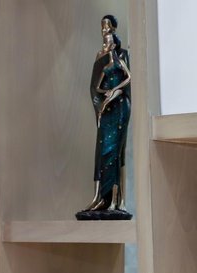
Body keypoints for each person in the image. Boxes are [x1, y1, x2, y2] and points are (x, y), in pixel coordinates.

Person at [77, 15, 132, 220]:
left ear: (114, 30)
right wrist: (102, 99)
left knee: (116, 151)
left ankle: (117, 200)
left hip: (119, 107)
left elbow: (128, 80)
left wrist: (115, 92)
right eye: (102, 27)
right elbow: (96, 85)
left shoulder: (121, 55)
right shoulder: (100, 55)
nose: (104, 31)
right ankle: (100, 198)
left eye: (107, 27)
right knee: (102, 150)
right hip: (105, 108)